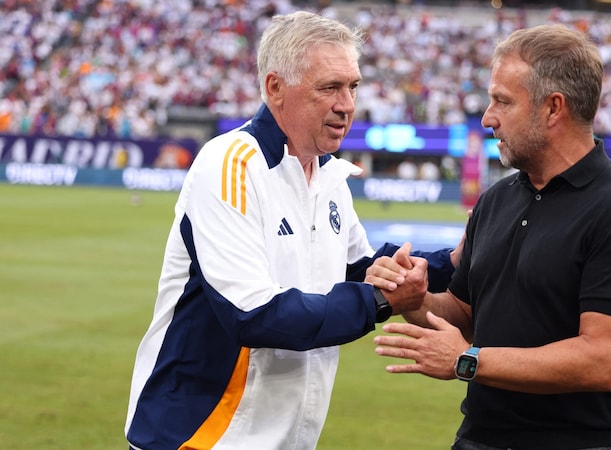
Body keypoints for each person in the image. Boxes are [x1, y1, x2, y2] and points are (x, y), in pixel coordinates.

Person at [124, 11, 461, 450]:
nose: (346, 104)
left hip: (283, 437)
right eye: (329, 88)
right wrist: (381, 301)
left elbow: (363, 268)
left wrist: (455, 261)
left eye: (352, 86)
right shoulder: (232, 165)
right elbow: (253, 314)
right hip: (202, 435)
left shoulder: (327, 174)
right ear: (275, 88)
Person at [373, 24, 611, 450]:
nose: (487, 117)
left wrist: (466, 362)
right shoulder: (496, 200)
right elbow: (466, 315)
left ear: (553, 108)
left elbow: (601, 360)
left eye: (502, 101)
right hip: (480, 437)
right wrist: (414, 300)